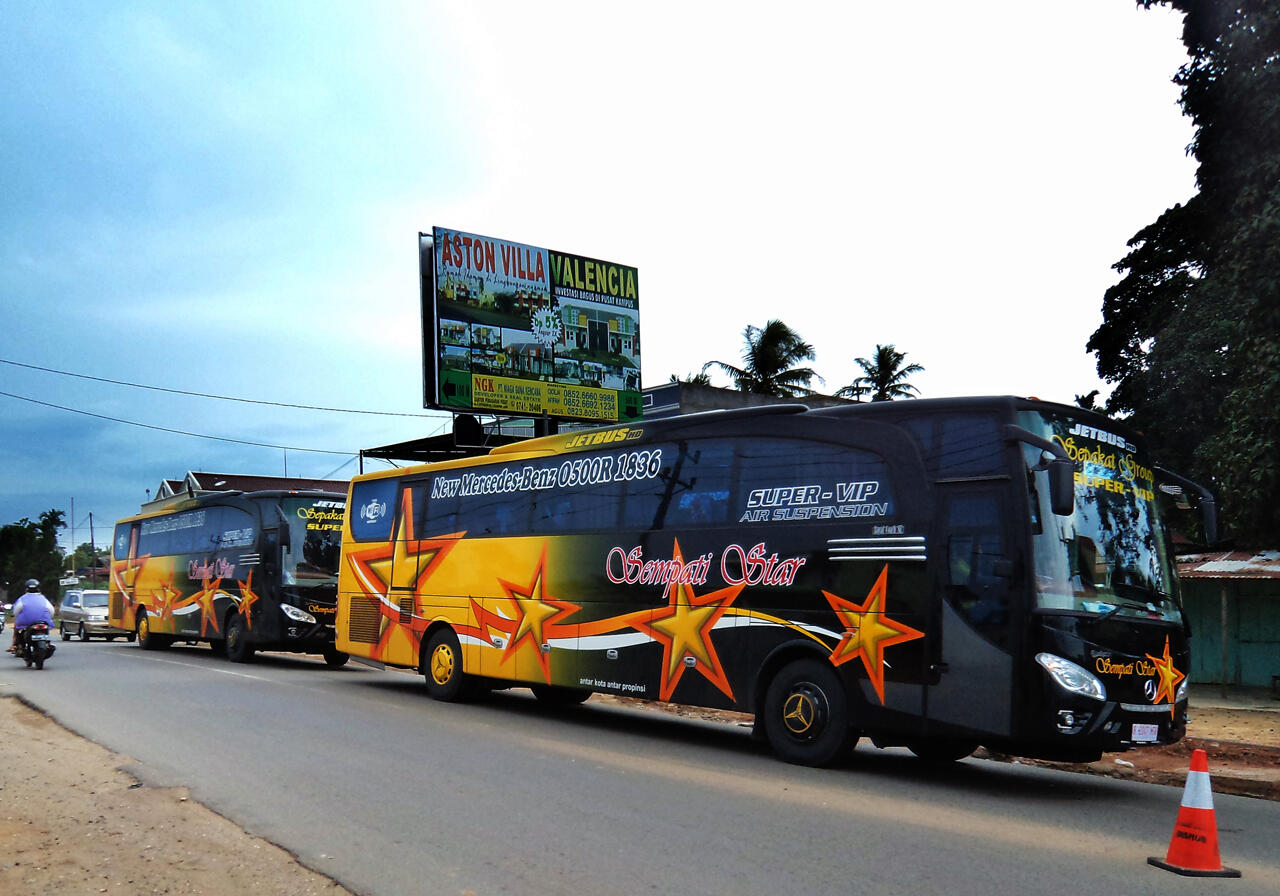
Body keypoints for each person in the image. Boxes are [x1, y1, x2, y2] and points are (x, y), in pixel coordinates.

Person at [9, 579, 55, 655]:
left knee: (19, 632)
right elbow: (51, 611)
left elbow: (16, 611)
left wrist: (18, 618)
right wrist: (48, 618)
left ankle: (19, 646)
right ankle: (48, 643)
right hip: (43, 622)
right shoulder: (43, 599)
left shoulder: (22, 599)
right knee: (46, 630)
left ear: (26, 589)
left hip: (25, 623)